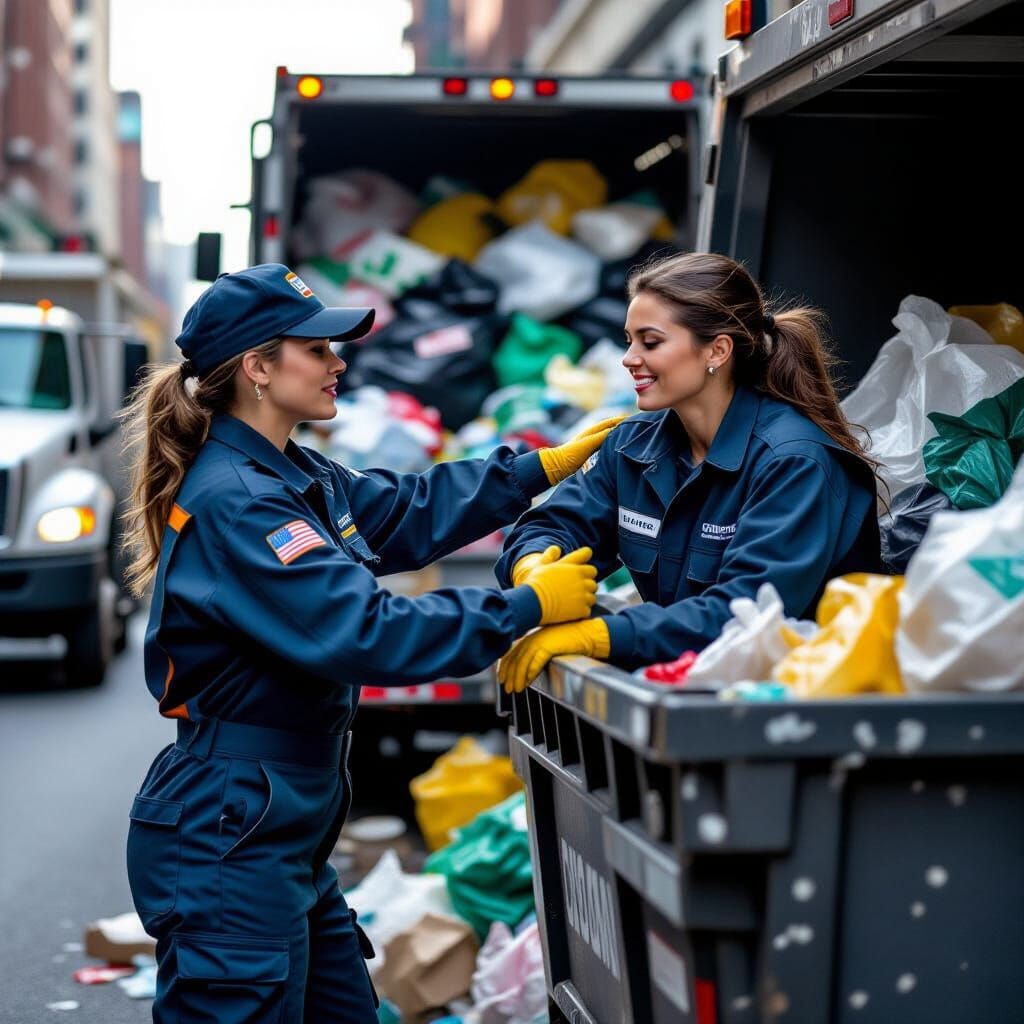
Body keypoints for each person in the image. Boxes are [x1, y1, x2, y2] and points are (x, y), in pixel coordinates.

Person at [120, 263, 621, 1023]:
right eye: (316, 348)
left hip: (278, 825)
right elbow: (366, 634)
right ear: (258, 367)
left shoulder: (293, 473)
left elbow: (404, 512)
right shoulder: (243, 503)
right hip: (231, 832)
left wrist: (536, 469)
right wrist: (520, 607)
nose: (338, 362)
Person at [495, 251, 883, 692]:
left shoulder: (795, 462)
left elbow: (745, 615)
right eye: (629, 340)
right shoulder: (633, 445)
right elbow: (558, 523)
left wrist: (602, 635)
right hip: (695, 696)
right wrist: (534, 567)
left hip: (797, 707)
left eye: (650, 341)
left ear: (717, 350)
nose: (628, 358)